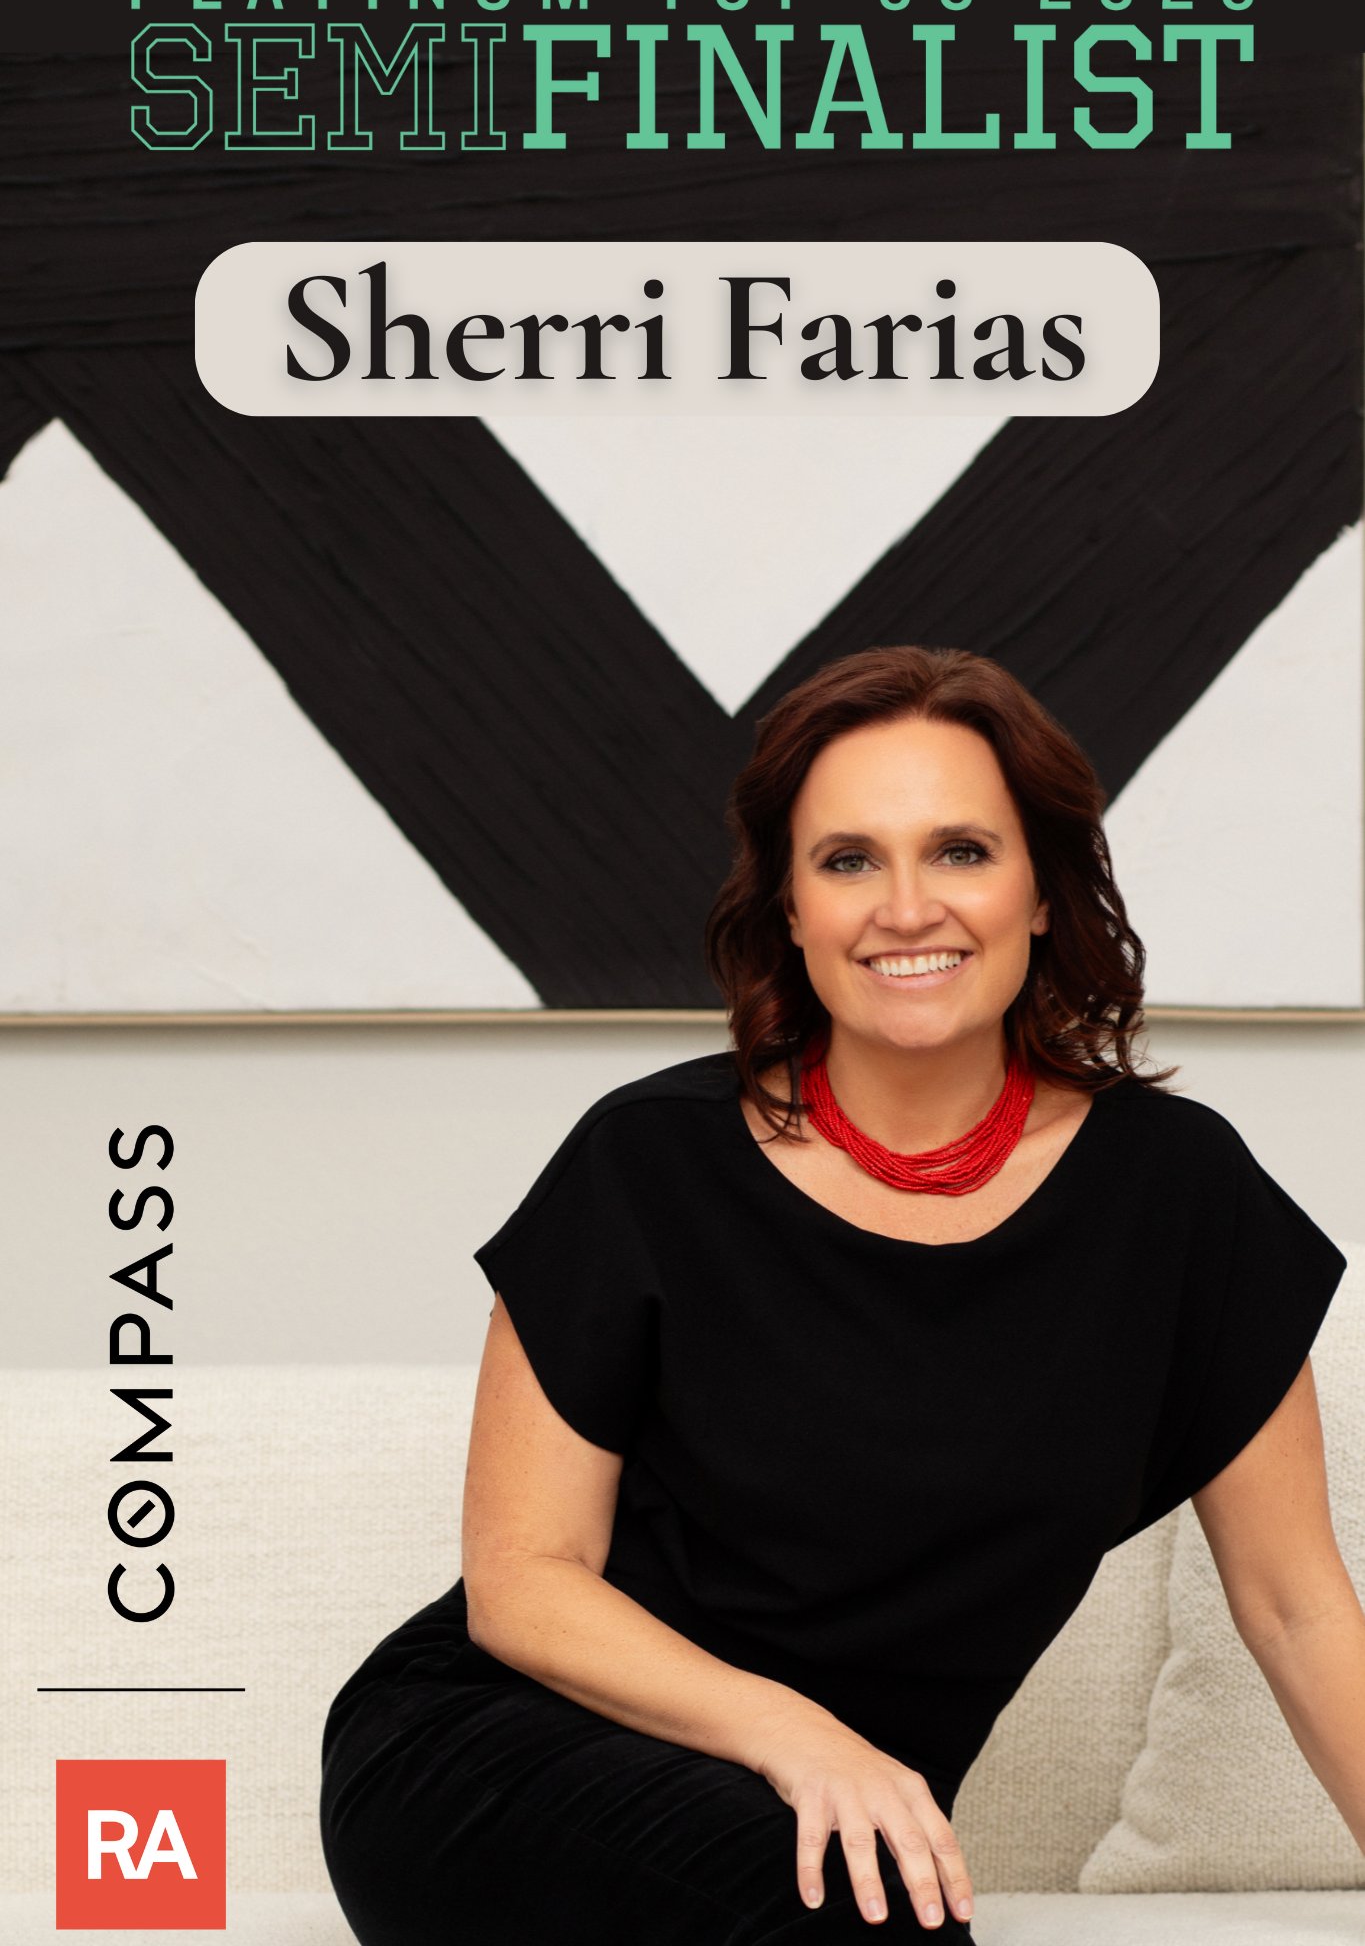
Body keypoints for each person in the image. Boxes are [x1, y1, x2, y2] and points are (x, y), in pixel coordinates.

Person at [320, 644, 1358, 1944]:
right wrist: (799, 1738)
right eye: (849, 860)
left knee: (863, 1911)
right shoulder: (646, 1163)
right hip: (490, 1756)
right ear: (791, 910)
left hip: (810, 1825)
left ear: (1043, 891)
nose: (906, 907)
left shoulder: (1177, 1195)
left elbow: (1295, 1605)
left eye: (961, 851)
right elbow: (523, 1582)